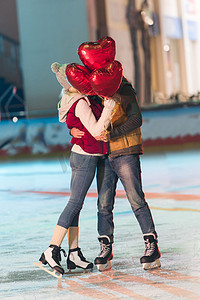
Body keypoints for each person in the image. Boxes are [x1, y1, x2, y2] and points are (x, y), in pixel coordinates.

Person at [71, 77, 161, 270]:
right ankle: (105, 247)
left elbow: (136, 119)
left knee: (136, 199)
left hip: (126, 151)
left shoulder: (124, 88)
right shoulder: (93, 93)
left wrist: (113, 134)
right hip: (103, 155)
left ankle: (151, 244)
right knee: (103, 204)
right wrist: (72, 129)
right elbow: (84, 116)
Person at [39, 85, 115, 276]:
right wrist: (109, 106)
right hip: (85, 156)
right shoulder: (80, 101)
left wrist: (73, 129)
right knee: (74, 203)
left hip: (89, 155)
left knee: (77, 205)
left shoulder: (86, 98)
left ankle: (73, 252)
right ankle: (51, 249)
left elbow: (73, 120)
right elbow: (96, 129)